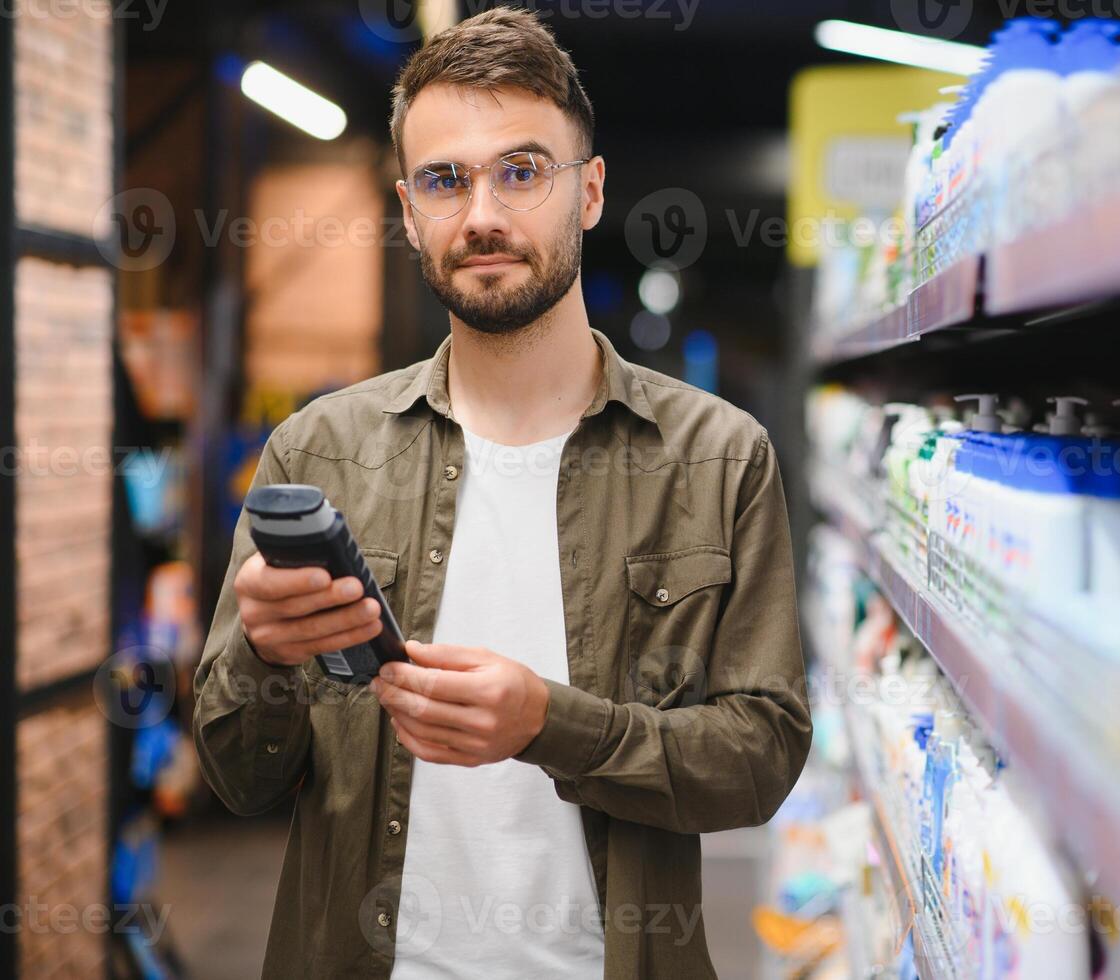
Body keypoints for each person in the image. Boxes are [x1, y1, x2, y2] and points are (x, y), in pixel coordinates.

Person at [191, 8, 811, 978]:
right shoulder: (319, 453)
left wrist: (547, 724)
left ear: (590, 192)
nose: (482, 213)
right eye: (446, 180)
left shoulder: (719, 457)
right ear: (408, 210)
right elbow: (237, 774)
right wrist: (266, 655)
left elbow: (762, 756)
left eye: (521, 171)